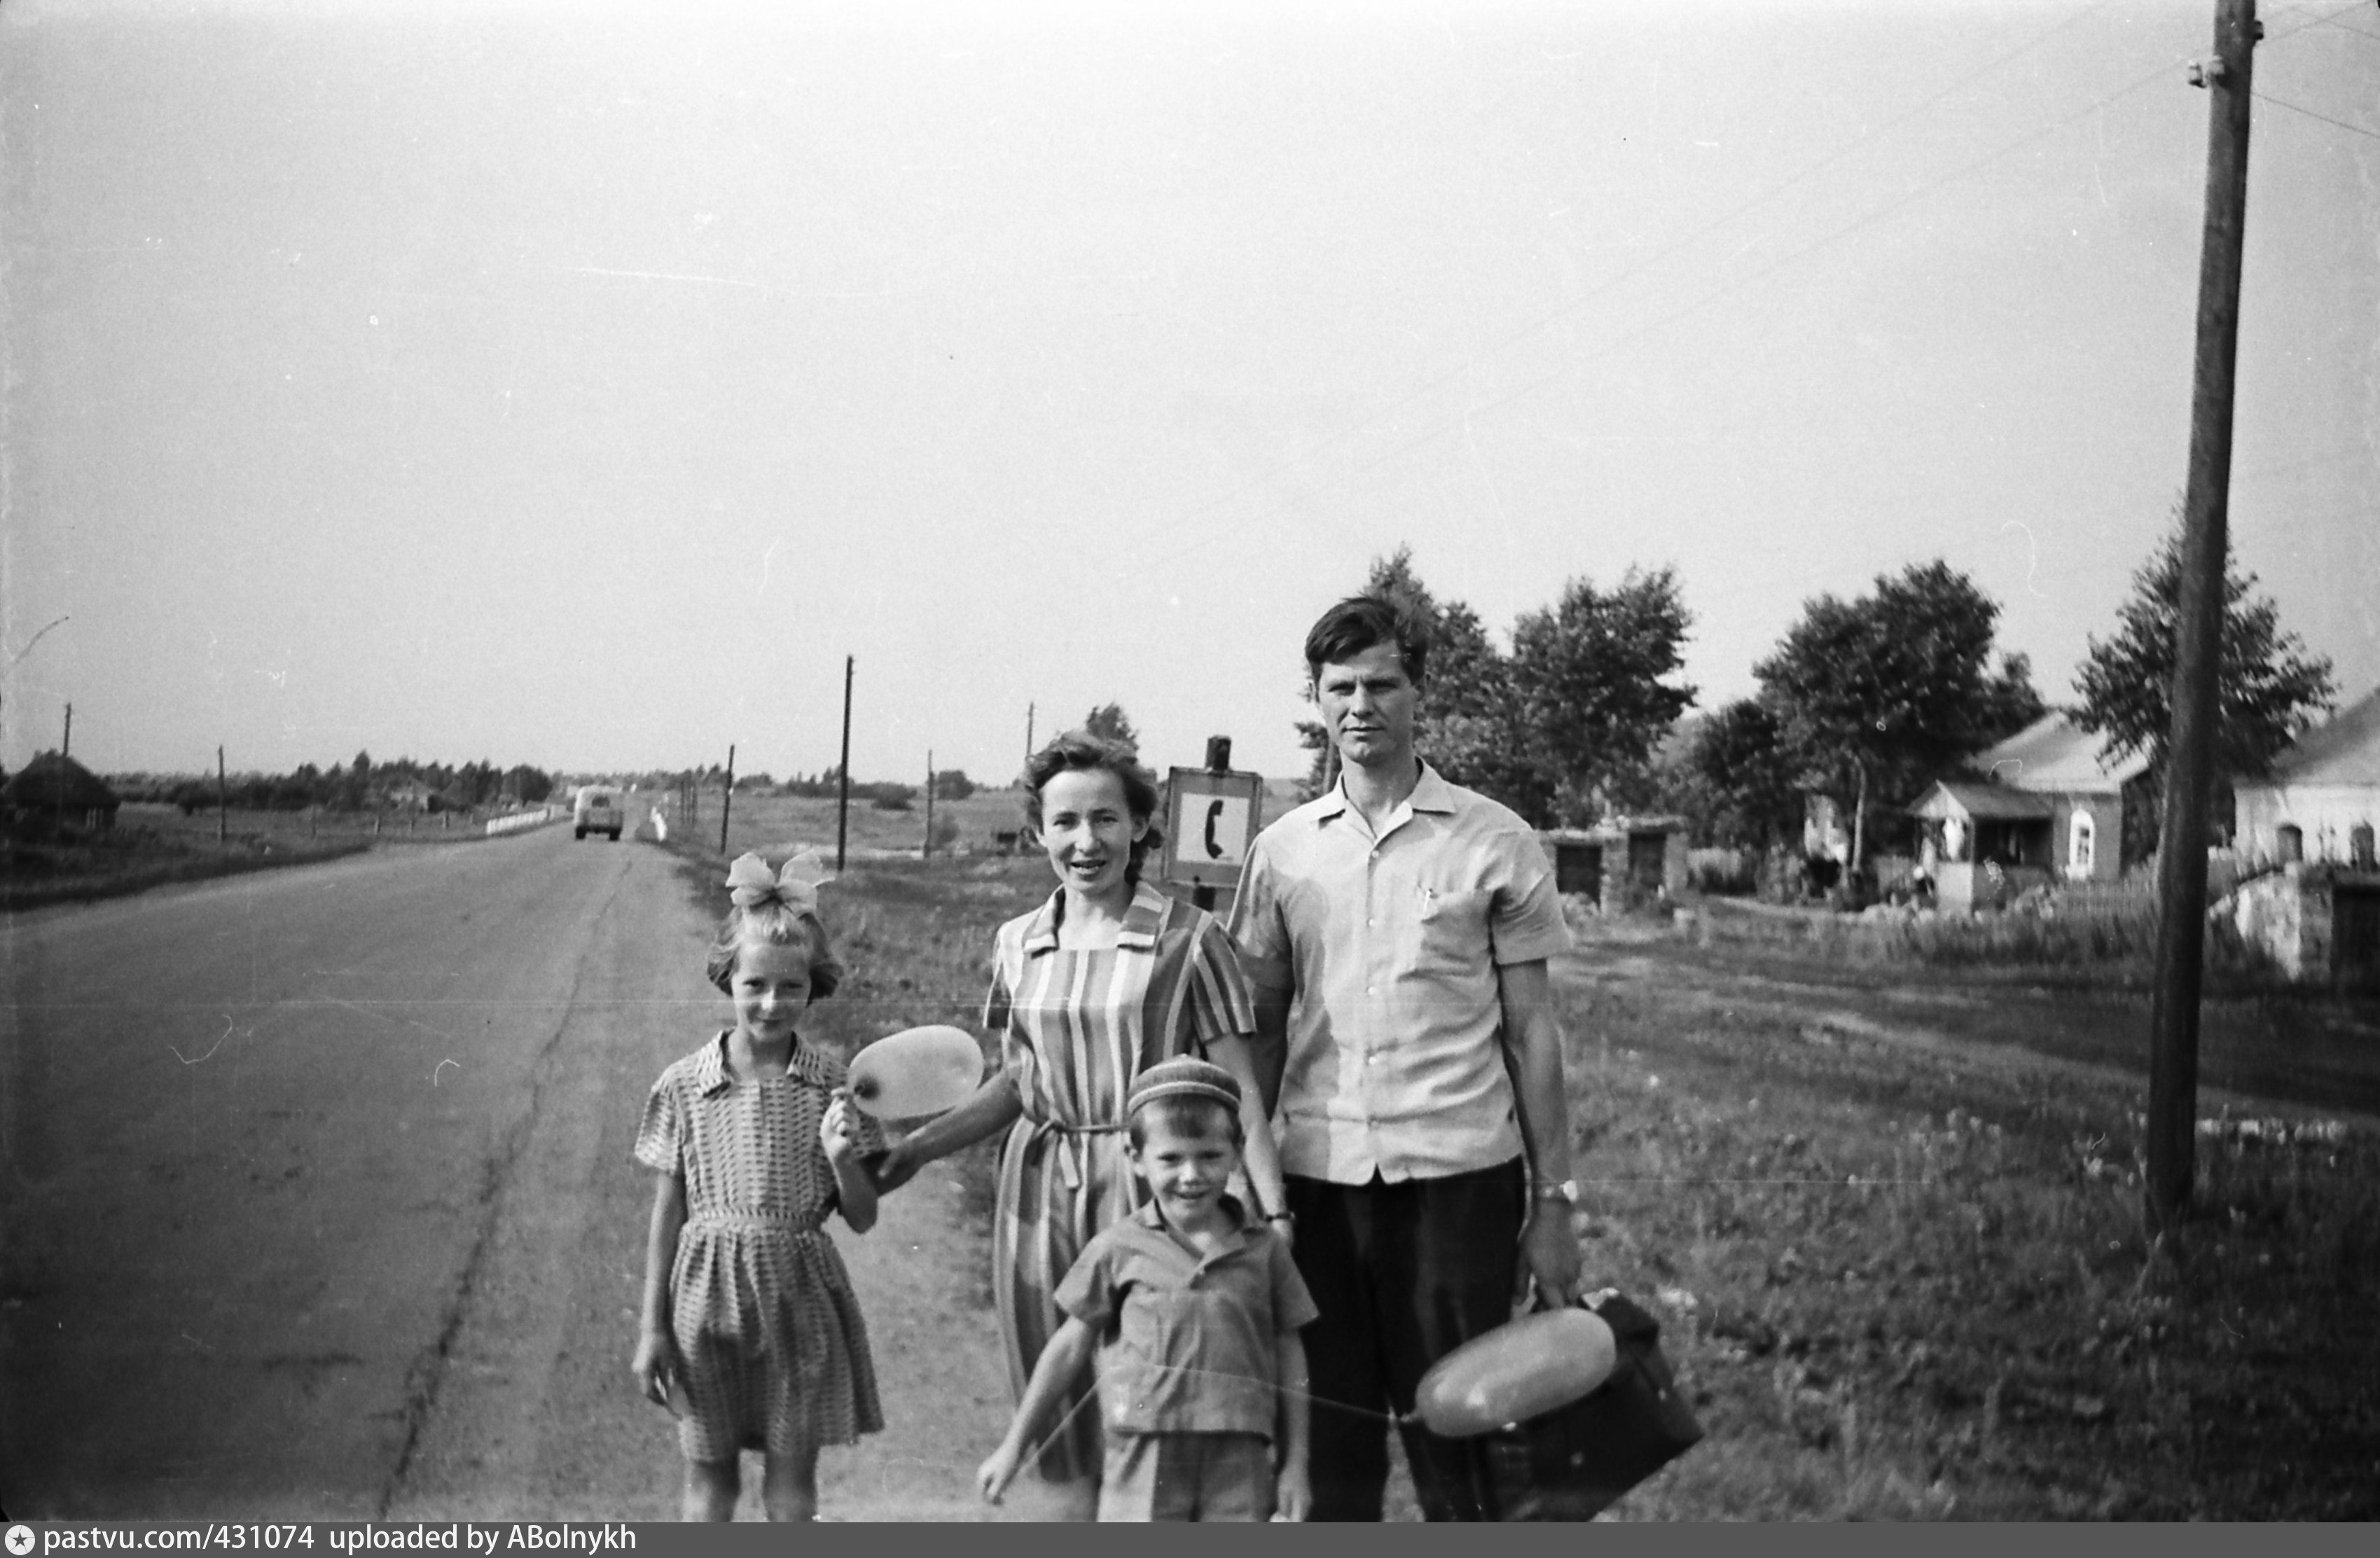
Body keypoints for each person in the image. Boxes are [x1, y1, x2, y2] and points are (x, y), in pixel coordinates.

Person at [868, 732, 1290, 1519]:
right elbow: (1018, 1083)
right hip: (1037, 1191)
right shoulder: (1017, 942)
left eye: (1104, 818)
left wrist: (1270, 1207)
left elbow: (1241, 1087)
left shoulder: (1189, 937)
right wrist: (919, 1148)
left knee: (1156, 1404)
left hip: (1156, 1192)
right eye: (1064, 822)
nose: (1084, 841)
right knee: (1055, 1395)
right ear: (1037, 832)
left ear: (1138, 825)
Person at [1229, 593, 1586, 1522]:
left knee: (1463, 1446)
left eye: (1381, 683)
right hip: (1317, 1188)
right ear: (1314, 700)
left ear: (1419, 691)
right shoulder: (1280, 854)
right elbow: (1259, 1035)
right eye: (1338, 687)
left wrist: (1553, 1205)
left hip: (1457, 1187)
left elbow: (1531, 1031)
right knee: (1328, 1451)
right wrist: (1245, 1187)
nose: (1360, 705)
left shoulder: (1493, 839)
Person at [630, 851, 884, 1522]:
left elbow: (862, 1216)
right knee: (709, 1478)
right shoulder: (685, 1083)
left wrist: (841, 1157)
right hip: (703, 1305)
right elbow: (668, 1210)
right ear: (728, 979)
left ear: (814, 987)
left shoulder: (835, 1084)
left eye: (791, 988)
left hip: (799, 1304)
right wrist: (651, 1326)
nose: (772, 1003)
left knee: (791, 1484)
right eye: (755, 985)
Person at [977, 1057, 1317, 1522]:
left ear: (1237, 1152)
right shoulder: (1118, 1247)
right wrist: (1014, 1446)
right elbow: (1069, 1346)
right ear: (1136, 1159)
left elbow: (1290, 1348)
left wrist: (1296, 1464)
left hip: (1241, 1457)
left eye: (1210, 1156)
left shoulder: (1264, 1250)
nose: (1191, 1174)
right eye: (1171, 1158)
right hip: (1143, 1455)